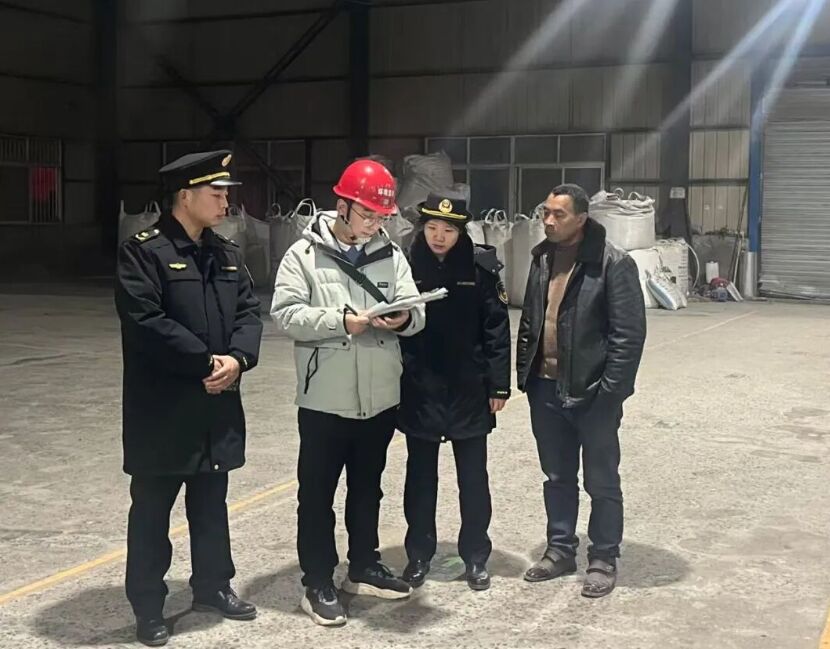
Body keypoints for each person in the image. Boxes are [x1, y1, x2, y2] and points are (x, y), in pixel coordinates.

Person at [115, 150, 263, 646]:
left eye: (226, 194)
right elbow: (145, 321)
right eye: (216, 194)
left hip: (215, 406)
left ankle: (213, 587)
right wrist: (206, 363)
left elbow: (248, 313)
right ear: (185, 196)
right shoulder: (143, 252)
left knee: (211, 504)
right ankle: (148, 607)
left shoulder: (226, 253)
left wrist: (237, 360)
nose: (225, 203)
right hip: (163, 410)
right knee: (152, 512)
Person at [271, 159, 426, 627]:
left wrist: (404, 318)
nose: (375, 224)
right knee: (317, 493)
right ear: (342, 206)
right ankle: (317, 580)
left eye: (382, 217)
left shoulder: (391, 254)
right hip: (325, 398)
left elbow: (416, 309)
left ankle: (364, 565)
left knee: (367, 488)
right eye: (367, 215)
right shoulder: (303, 255)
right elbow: (285, 313)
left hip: (379, 396)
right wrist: (340, 322)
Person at [516, 183, 646, 598]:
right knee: (557, 476)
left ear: (582, 219)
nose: (549, 221)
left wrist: (610, 394)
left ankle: (604, 557)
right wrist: (526, 375)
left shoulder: (613, 263)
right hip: (545, 389)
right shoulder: (541, 258)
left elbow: (628, 336)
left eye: (559, 214)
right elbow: (530, 320)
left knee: (601, 480)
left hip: (593, 395)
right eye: (545, 212)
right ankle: (560, 549)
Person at [397, 192, 511, 592]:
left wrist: (498, 385)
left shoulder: (480, 268)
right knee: (420, 479)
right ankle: (418, 555)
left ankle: (476, 557)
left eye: (447, 229)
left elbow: (496, 329)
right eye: (432, 228)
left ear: (461, 231)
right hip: (420, 387)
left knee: (473, 479)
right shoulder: (405, 265)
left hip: (469, 389)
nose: (439, 236)